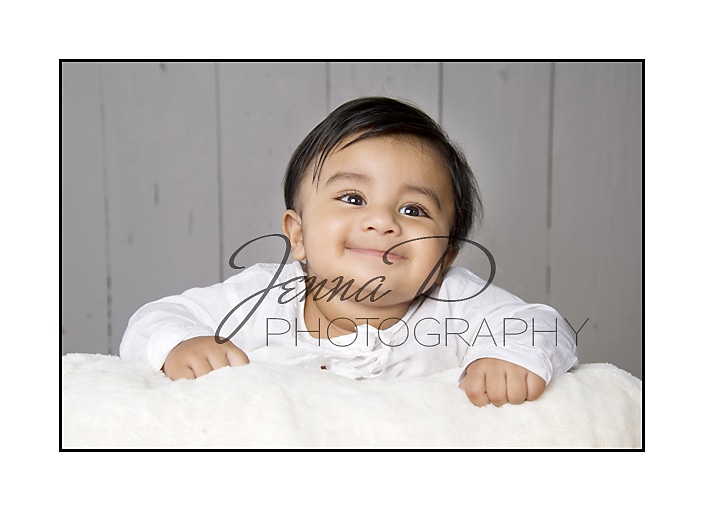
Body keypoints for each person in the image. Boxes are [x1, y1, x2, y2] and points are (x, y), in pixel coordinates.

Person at [120, 96, 578, 406]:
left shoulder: (456, 301)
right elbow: (154, 319)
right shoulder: (263, 295)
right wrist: (183, 343)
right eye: (353, 198)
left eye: (414, 209)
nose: (382, 221)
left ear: (444, 260)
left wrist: (508, 357)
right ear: (298, 235)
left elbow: (543, 323)